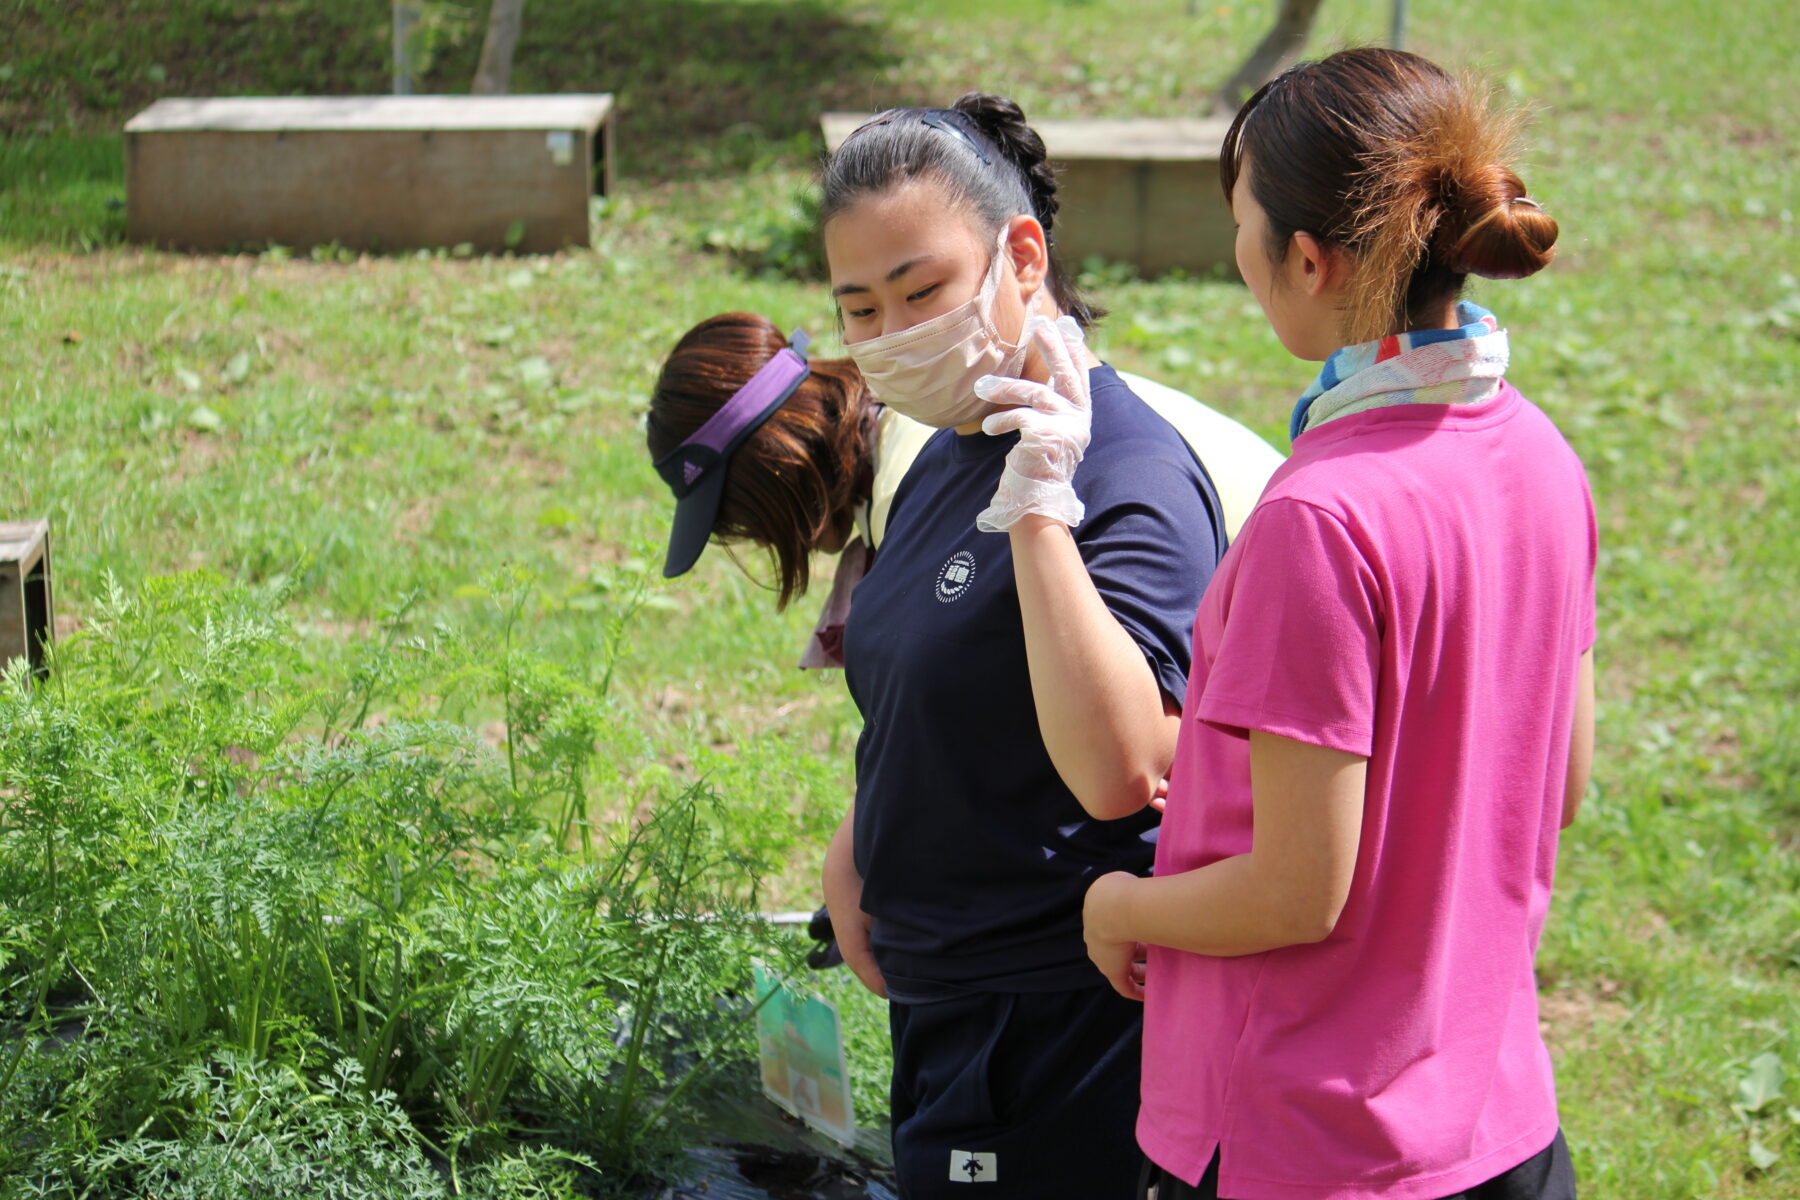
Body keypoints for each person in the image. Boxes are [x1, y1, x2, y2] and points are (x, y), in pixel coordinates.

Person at [645, 93, 1271, 1199]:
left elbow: (1132, 765)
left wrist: (1040, 515)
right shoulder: (940, 455)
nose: (893, 336)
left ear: (1019, 256)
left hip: (1056, 1029)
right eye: (861, 309)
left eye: (921, 291)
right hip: (948, 1017)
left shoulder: (1122, 473)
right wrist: (860, 840)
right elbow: (936, 688)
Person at [1076, 49, 1595, 1200]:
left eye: (1243, 224)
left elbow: (1296, 890)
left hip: (1308, 1144)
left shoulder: (1319, 521)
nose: (1237, 257)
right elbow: (1556, 783)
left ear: (1307, 259)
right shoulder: (1547, 460)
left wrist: (1118, 902)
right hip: (1499, 1124)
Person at [645, 313, 1280, 668]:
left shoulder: (919, 482)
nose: (758, 540)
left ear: (772, 474)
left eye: (738, 519)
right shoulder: (916, 418)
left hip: (1267, 625)